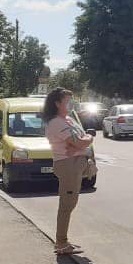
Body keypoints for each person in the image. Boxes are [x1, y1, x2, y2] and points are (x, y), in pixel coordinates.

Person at [43, 88, 93, 255]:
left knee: (71, 203)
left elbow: (81, 141)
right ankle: (61, 243)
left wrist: (83, 142)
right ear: (57, 103)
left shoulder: (68, 120)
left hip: (75, 163)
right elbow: (80, 142)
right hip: (68, 165)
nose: (71, 104)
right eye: (68, 101)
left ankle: (63, 241)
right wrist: (87, 140)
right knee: (67, 204)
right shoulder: (56, 122)